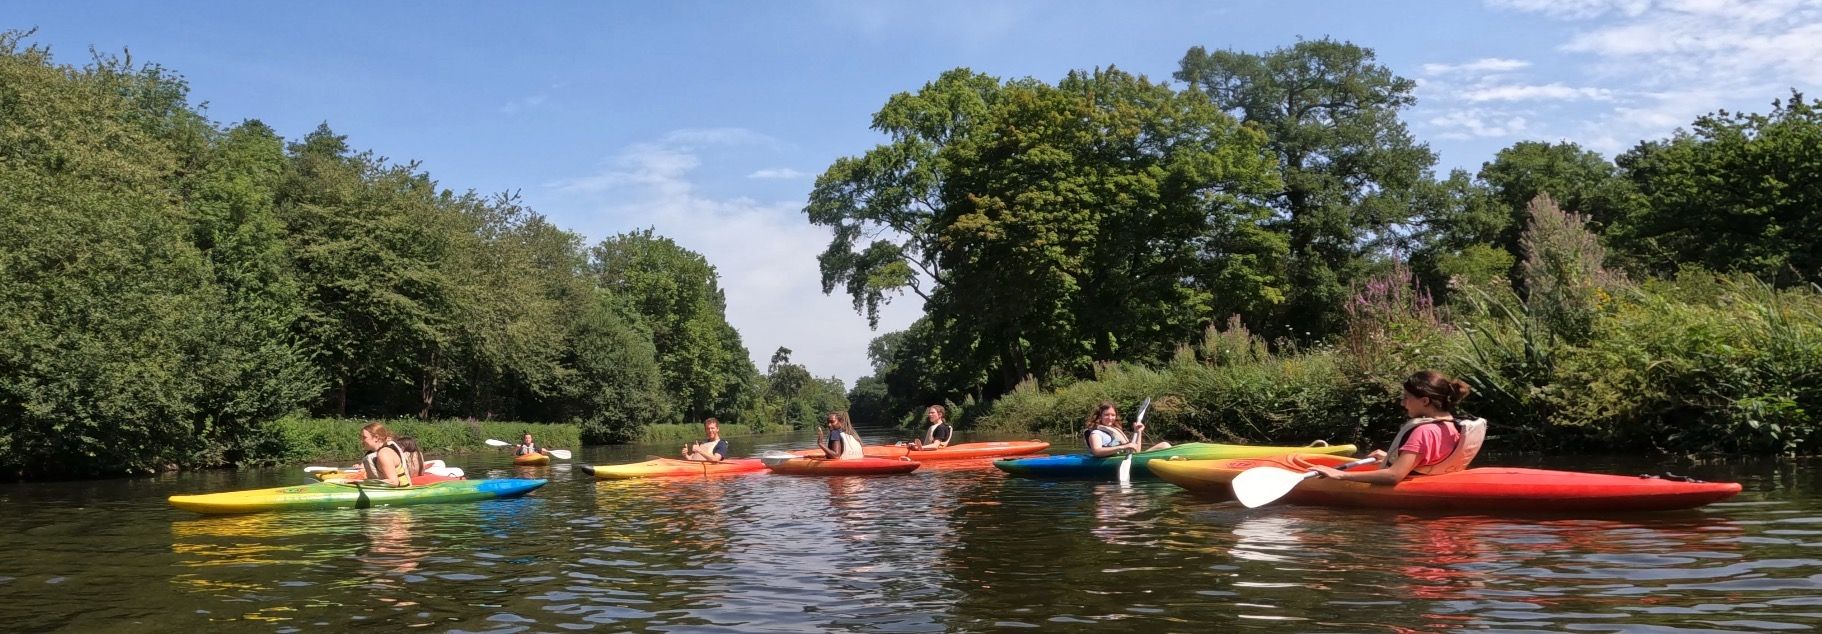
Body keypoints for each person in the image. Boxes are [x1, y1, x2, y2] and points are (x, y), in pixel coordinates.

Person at [1310, 370, 1487, 484]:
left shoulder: (1423, 431)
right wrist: (1390, 457)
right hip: (1433, 480)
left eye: (1406, 397)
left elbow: (1393, 476)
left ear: (1425, 401)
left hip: (1413, 494)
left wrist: (1339, 475)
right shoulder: (1454, 427)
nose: (1403, 403)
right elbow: (1431, 460)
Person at [1083, 401, 1171, 458]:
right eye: (1106, 415)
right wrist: (1124, 446)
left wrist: (1138, 432)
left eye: (1113, 415)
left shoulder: (1115, 430)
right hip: (1114, 461)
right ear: (1100, 416)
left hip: (1130, 457)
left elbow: (1137, 451)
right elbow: (1097, 452)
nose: (1110, 418)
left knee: (1165, 445)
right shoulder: (1096, 433)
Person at [358, 422, 413, 487]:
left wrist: (362, 482)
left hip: (401, 493)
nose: (361, 440)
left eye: (364, 437)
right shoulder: (384, 450)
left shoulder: (384, 453)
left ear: (376, 438)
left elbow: (394, 482)